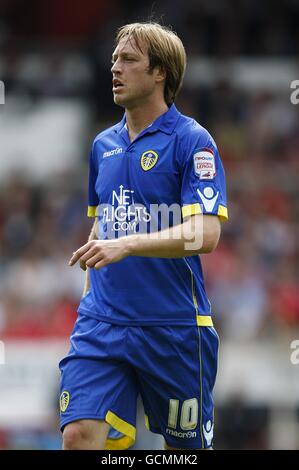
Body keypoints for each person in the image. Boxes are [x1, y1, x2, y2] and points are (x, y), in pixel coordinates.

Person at [59, 21, 228, 451]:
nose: (115, 68)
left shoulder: (193, 141)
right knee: (78, 435)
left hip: (172, 328)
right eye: (114, 59)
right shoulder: (102, 146)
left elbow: (205, 235)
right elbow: (105, 221)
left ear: (160, 73)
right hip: (102, 323)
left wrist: (128, 243)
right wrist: (95, 273)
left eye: (129, 59)